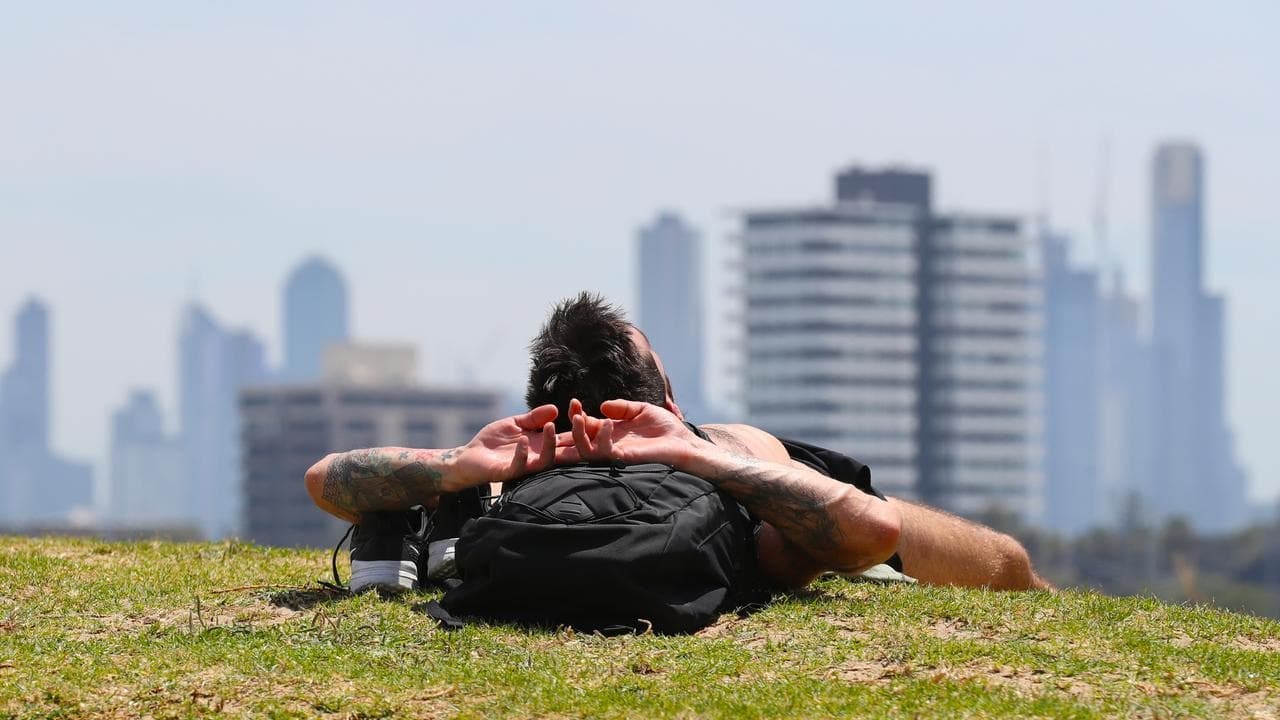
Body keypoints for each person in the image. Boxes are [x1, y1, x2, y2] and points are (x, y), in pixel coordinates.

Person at [305, 293, 1051, 593]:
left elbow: (325, 481)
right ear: (665, 397)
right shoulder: (732, 450)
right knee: (1009, 563)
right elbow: (867, 531)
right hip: (769, 475)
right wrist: (700, 452)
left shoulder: (515, 473)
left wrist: (461, 465)